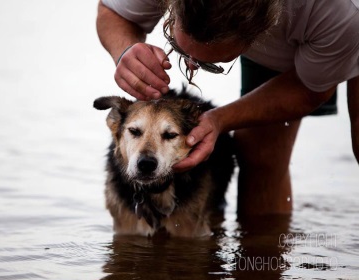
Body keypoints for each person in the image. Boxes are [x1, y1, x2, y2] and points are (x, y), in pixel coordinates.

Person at [96, 0, 359, 216]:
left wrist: (220, 120)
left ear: (262, 32)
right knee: (258, 156)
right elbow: (113, 11)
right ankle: (259, 266)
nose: (190, 68)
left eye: (211, 64)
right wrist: (125, 49)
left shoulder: (339, 12)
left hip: (337, 27)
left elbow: (310, 89)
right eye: (176, 46)